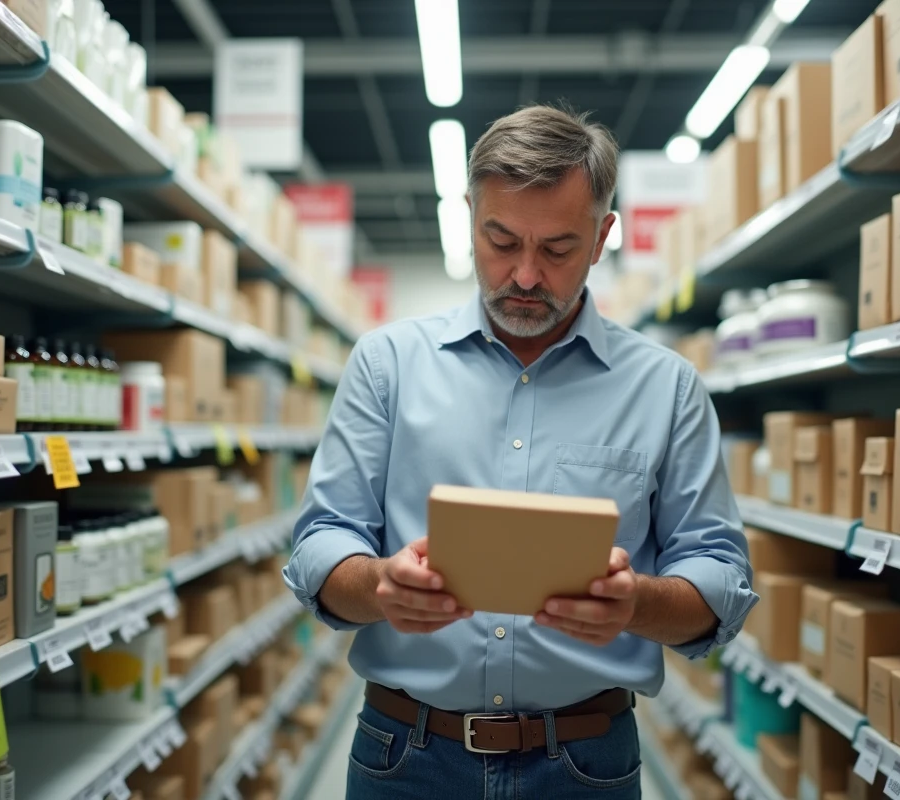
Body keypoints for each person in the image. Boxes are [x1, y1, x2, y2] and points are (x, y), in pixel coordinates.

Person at [283, 104, 755, 799]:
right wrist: (380, 586)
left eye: (558, 249)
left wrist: (635, 604)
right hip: (405, 759)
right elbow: (321, 543)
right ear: (470, 216)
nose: (526, 276)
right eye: (500, 240)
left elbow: (720, 581)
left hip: (585, 765)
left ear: (602, 238)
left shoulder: (666, 389)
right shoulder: (388, 364)